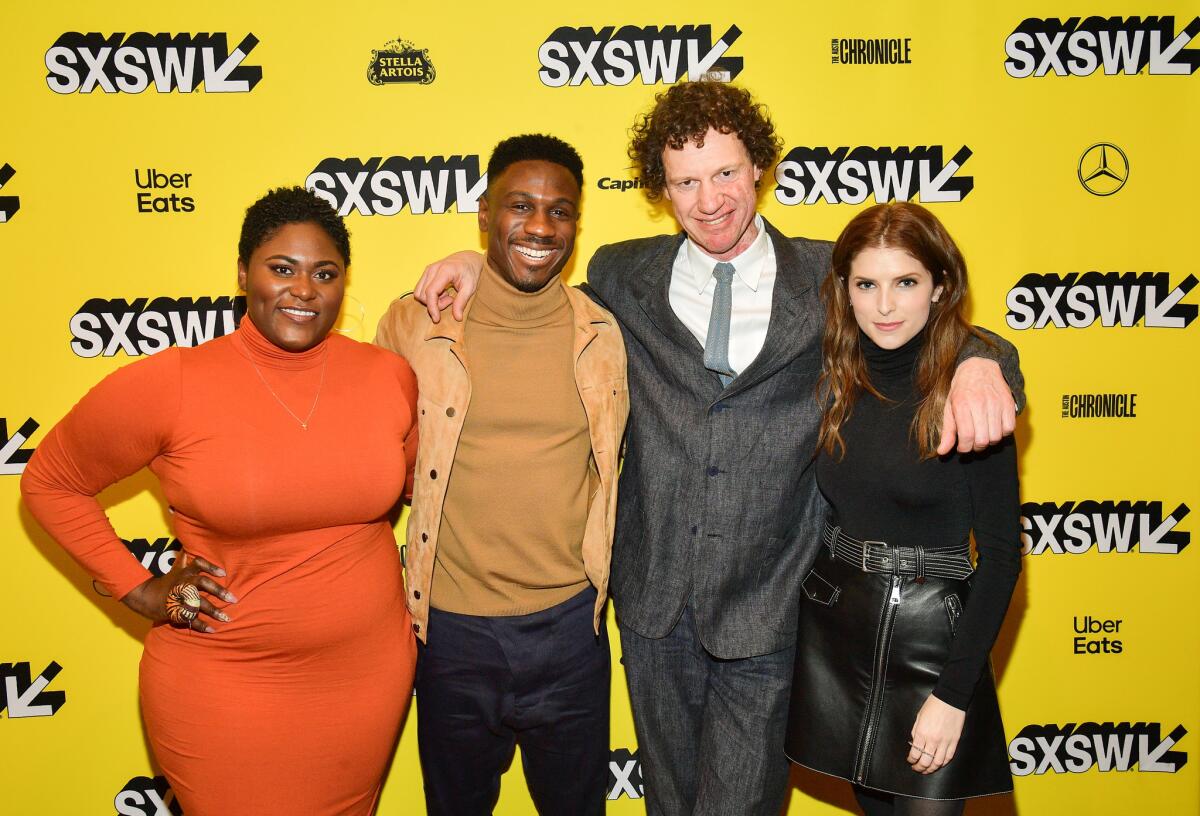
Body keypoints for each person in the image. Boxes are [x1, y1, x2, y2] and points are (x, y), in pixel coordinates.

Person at [413, 80, 1022, 816]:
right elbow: (531, 277)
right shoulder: (619, 273)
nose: (709, 201)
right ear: (660, 191)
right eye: (686, 182)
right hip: (651, 606)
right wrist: (472, 262)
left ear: (759, 167)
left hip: (773, 609)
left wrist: (985, 361)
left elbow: (923, 310)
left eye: (726, 173)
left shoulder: (829, 275)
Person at [21, 187, 419, 815]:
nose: (303, 290)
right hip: (225, 675)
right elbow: (49, 481)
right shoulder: (172, 383)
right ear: (242, 274)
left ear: (345, 283)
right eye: (280, 269)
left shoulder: (387, 375)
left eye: (325, 273)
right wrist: (136, 586)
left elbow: (426, 485)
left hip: (364, 675)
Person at [374, 134, 627, 816]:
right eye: (520, 206)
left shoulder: (607, 332)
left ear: (577, 222)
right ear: (484, 214)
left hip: (572, 630)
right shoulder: (412, 325)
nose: (540, 226)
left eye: (559, 210)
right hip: (451, 634)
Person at [785, 202, 1020, 816]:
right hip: (841, 633)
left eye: (906, 282)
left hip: (932, 646)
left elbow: (1000, 558)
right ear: (845, 289)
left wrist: (953, 694)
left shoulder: (971, 392)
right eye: (867, 284)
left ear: (940, 287)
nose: (885, 306)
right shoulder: (835, 372)